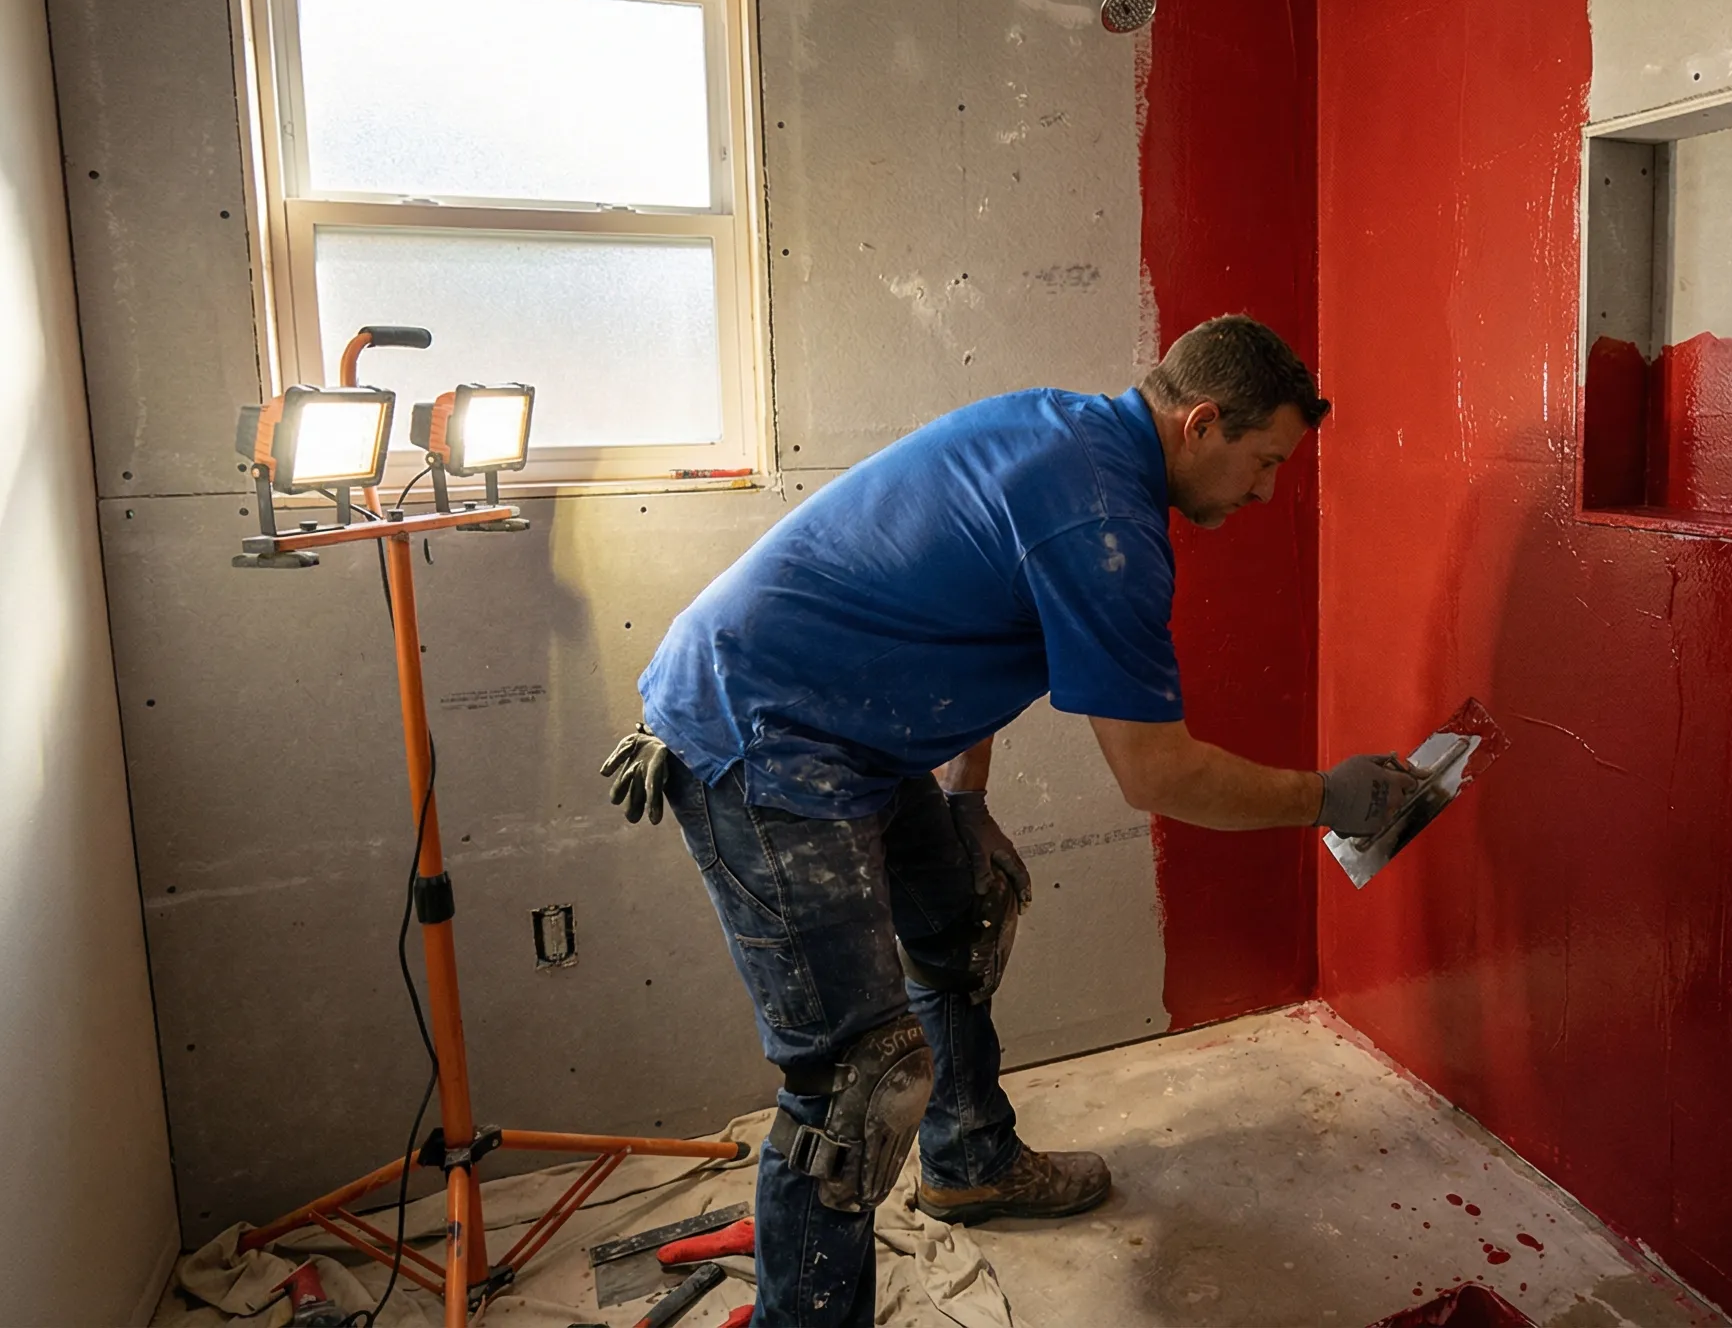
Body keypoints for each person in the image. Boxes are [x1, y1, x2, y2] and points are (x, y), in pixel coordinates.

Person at [600, 314, 1427, 1328]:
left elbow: (967, 622)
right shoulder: (1103, 524)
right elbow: (1159, 774)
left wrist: (966, 801)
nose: (1265, 492)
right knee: (858, 1080)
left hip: (847, 721)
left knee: (964, 914)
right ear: (1203, 423)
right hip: (765, 737)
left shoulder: (1070, 434)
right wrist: (1328, 797)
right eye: (1265, 462)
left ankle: (968, 1162)